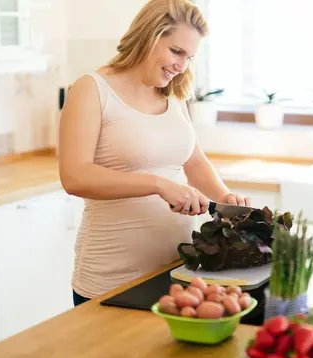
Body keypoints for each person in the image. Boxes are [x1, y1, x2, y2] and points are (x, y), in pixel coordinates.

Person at [58, 0, 250, 307]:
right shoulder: (92, 89)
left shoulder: (173, 94)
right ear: (149, 35)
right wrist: (158, 184)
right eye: (176, 52)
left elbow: (194, 161)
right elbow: (74, 176)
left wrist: (225, 199)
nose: (182, 65)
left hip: (178, 272)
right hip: (111, 278)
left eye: (189, 56)